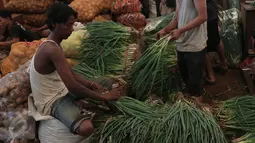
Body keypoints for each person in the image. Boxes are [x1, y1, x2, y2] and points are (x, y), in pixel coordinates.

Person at [29, 3, 121, 137]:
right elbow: (73, 87)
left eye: (72, 25)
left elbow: (70, 73)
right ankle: (85, 106)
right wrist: (103, 96)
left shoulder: (55, 45)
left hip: (61, 90)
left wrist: (90, 84)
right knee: (86, 128)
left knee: (107, 82)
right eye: (68, 25)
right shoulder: (51, 49)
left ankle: (82, 104)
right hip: (52, 100)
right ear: (55, 24)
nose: (71, 29)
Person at [157, 0, 208, 104]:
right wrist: (164, 30)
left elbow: (203, 16)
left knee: (195, 86)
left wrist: (180, 30)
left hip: (195, 46)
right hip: (182, 45)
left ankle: (198, 110)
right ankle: (191, 106)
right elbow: (176, 19)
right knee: (187, 80)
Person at [204, 0, 227, 84]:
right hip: (212, 12)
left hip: (205, 14)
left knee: (202, 45)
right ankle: (223, 64)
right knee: (216, 40)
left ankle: (210, 76)